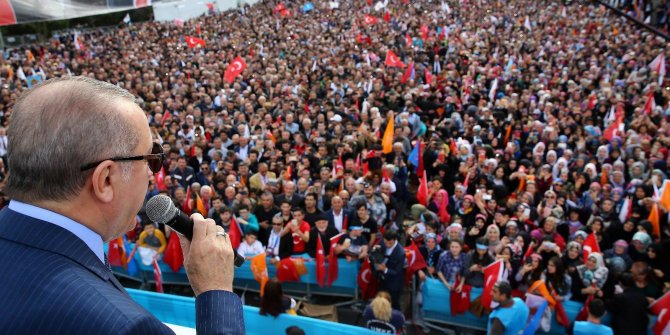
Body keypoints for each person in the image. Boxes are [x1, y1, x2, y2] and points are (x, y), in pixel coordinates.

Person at [0, 77, 244, 334]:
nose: (153, 173)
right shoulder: (126, 326)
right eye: (151, 158)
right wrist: (216, 291)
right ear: (106, 180)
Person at [374, 230, 406, 310]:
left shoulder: (400, 253)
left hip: (394, 283)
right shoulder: (381, 243)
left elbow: (397, 272)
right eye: (386, 243)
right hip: (382, 279)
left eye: (390, 243)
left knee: (394, 304)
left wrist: (385, 269)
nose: (387, 245)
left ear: (395, 240)